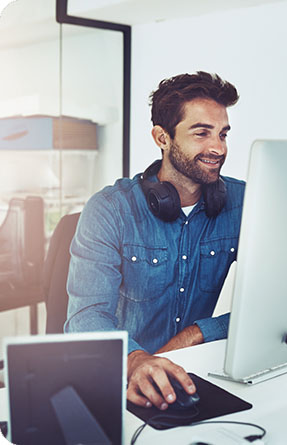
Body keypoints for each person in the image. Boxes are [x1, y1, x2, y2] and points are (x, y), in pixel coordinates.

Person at [64, 71, 244, 411]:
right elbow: (85, 317)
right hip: (117, 383)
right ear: (162, 137)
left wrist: (197, 333)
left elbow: (272, 305)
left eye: (222, 134)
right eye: (201, 132)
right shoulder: (111, 209)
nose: (217, 147)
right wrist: (136, 360)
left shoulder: (244, 202)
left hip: (190, 377)